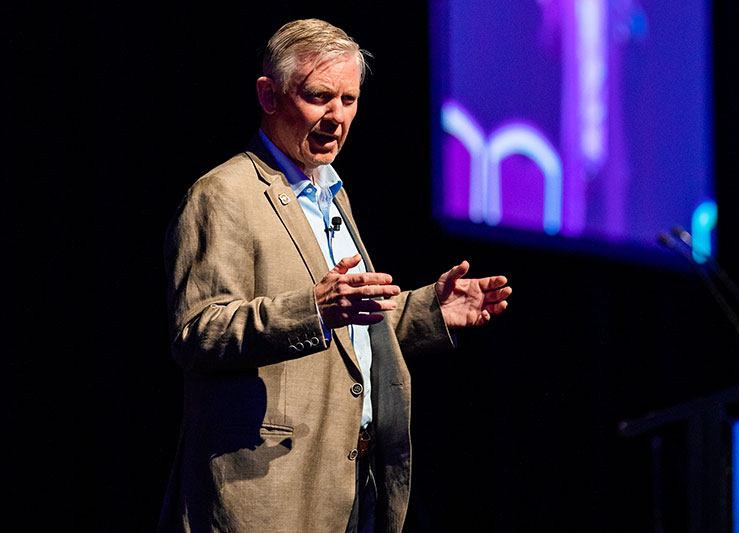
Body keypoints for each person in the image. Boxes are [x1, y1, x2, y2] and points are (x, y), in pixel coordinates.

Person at [157, 18, 511, 533]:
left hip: (349, 481)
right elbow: (199, 333)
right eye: (320, 96)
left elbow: (348, 333)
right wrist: (314, 309)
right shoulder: (223, 196)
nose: (336, 116)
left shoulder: (330, 192)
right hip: (264, 494)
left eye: (349, 100)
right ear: (269, 95)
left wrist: (430, 311)